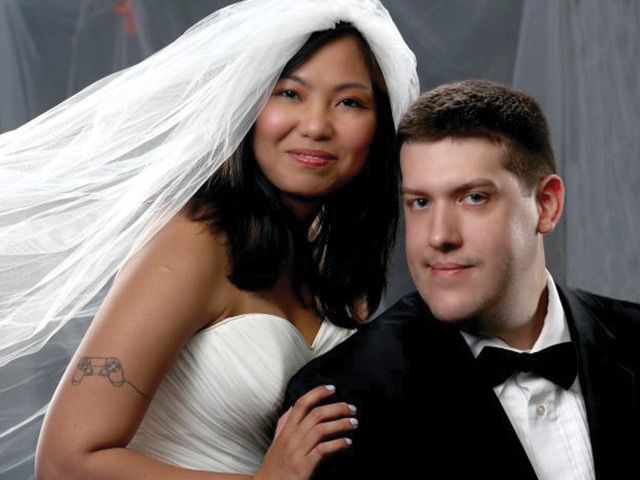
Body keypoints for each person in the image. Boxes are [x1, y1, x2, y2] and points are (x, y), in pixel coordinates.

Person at [0, 0, 419, 478]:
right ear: (248, 103)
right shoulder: (193, 243)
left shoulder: (339, 265)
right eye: (289, 94)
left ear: (378, 127)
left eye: (349, 102)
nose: (317, 125)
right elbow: (64, 461)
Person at [284, 79, 640, 480]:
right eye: (420, 202)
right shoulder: (342, 402)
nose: (439, 236)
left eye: (474, 197)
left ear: (546, 205)